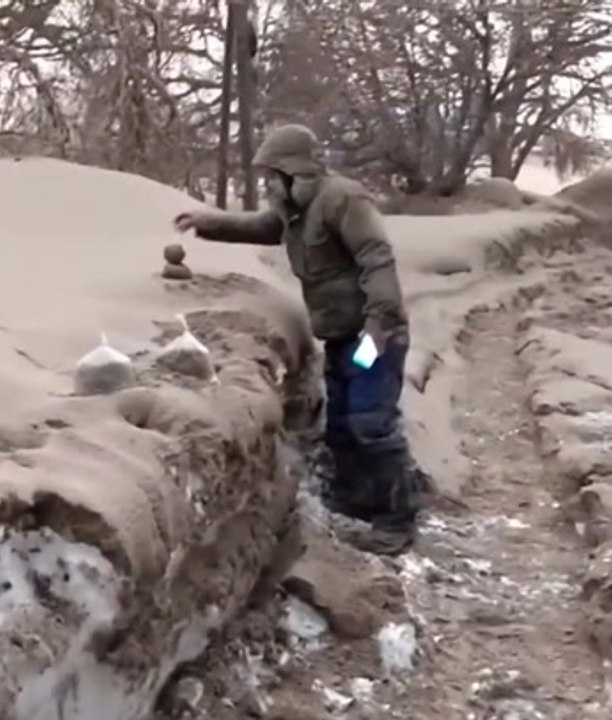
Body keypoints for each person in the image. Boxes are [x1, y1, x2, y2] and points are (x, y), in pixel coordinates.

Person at [173, 123, 427, 554]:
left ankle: (397, 519)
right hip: (341, 338)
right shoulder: (293, 211)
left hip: (372, 336)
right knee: (343, 425)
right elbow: (262, 228)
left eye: (274, 174)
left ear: (295, 172)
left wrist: (380, 324)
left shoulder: (342, 200)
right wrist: (208, 224)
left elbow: (376, 258)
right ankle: (357, 501)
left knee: (372, 423)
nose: (268, 183)